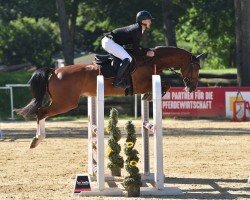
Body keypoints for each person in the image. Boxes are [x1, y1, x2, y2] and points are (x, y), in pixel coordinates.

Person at [101, 10, 155, 89]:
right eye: (149, 20)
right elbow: (136, 49)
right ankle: (117, 82)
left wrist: (147, 50)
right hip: (109, 42)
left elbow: (136, 46)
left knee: (127, 57)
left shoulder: (139, 29)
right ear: (143, 21)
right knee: (127, 58)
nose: (151, 22)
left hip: (110, 42)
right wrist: (146, 53)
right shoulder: (137, 30)